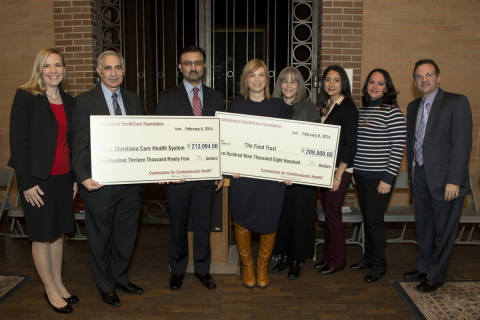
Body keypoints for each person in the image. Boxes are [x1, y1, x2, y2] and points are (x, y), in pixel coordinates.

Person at [71, 51, 144, 307]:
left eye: (118, 68)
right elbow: (78, 144)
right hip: (99, 185)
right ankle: (105, 285)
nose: (113, 73)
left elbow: (142, 141)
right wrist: (82, 177)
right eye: (108, 68)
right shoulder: (84, 102)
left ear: (123, 71)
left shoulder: (134, 100)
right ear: (98, 71)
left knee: (126, 235)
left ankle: (120, 277)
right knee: (100, 237)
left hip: (130, 185)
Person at [8, 48, 77, 314]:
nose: (53, 71)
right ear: (39, 69)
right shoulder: (26, 98)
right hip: (37, 180)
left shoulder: (70, 102)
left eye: (57, 65)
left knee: (58, 233)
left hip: (63, 178)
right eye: (47, 66)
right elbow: (18, 142)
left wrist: (73, 178)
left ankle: (59, 283)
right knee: (41, 235)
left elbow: (71, 143)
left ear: (64, 69)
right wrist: (24, 183)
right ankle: (49, 289)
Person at [155, 46, 224, 291]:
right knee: (178, 225)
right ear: (180, 67)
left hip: (206, 176)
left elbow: (221, 137)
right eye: (187, 63)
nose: (193, 67)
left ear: (204, 66)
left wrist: (220, 170)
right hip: (178, 177)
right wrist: (165, 170)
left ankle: (203, 270)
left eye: (197, 63)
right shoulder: (166, 97)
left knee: (203, 224)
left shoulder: (216, 97)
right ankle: (177, 270)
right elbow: (160, 135)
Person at [403, 59, 472, 293]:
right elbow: (412, 144)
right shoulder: (413, 107)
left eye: (429, 74)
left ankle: (436, 275)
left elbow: (462, 145)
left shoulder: (456, 102)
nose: (424, 79)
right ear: (415, 81)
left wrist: (456, 180)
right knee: (424, 227)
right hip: (420, 175)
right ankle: (423, 267)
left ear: (438, 77)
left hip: (446, 180)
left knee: (443, 230)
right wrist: (413, 177)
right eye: (420, 76)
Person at [229, 59, 291, 289]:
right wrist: (230, 165)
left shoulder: (278, 106)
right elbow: (229, 140)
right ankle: (247, 265)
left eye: (261, 75)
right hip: (243, 177)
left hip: (270, 178)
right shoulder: (235, 106)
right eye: (251, 75)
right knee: (242, 215)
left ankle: (262, 266)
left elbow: (287, 142)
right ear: (246, 79)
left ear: (267, 79)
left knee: (270, 217)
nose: (256, 80)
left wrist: (288, 169)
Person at [351, 68, 406, 282]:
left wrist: (388, 178)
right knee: (367, 218)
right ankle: (368, 258)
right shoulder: (362, 111)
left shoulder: (392, 112)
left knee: (374, 220)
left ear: (387, 88)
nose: (374, 86)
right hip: (362, 176)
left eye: (380, 83)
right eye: (371, 82)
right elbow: (358, 144)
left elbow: (398, 147)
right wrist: (354, 170)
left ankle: (380, 265)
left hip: (380, 178)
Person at [271, 67, 320, 280]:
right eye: (285, 81)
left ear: (300, 85)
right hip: (278, 175)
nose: (289, 85)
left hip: (301, 177)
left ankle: (295, 259)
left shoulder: (309, 109)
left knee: (299, 217)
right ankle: (282, 255)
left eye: (294, 81)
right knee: (281, 216)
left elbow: (316, 143)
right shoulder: (272, 107)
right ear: (279, 85)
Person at [314, 65, 358, 275]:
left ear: (344, 83)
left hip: (339, 171)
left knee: (333, 217)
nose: (331, 84)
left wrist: (338, 175)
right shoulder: (329, 106)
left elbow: (350, 146)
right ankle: (328, 258)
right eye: (328, 80)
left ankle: (337, 261)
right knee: (329, 216)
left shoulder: (348, 107)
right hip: (327, 169)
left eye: (336, 80)